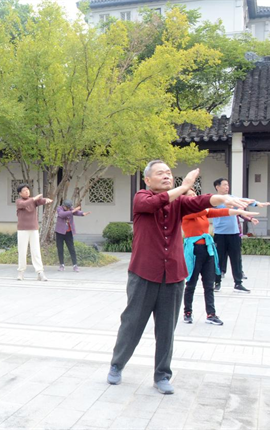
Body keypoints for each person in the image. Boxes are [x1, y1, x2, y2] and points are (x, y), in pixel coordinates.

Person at [106, 160, 252, 394]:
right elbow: (156, 203)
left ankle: (162, 375)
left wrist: (223, 198)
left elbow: (201, 202)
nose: (166, 176)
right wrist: (184, 186)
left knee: (166, 329)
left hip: (173, 275)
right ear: (147, 180)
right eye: (160, 173)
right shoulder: (141, 198)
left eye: (169, 173)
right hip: (144, 273)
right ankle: (117, 364)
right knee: (132, 323)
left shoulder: (180, 202)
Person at [181, 188, 259, 326]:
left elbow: (221, 212)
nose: (194, 197)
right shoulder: (185, 212)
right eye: (190, 196)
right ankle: (187, 312)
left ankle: (211, 314)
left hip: (207, 249)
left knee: (209, 284)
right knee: (191, 283)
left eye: (195, 194)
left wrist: (240, 212)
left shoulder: (203, 212)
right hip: (193, 250)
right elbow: (206, 210)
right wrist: (220, 201)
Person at [212, 178, 270, 293]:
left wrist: (257, 203)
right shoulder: (215, 200)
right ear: (217, 187)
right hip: (220, 234)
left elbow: (244, 200)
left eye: (227, 185)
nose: (227, 187)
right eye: (224, 185)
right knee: (218, 259)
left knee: (236, 259)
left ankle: (238, 283)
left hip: (234, 234)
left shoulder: (232, 198)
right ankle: (217, 282)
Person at [16, 184, 52, 281]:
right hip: (22, 230)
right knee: (22, 251)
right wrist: (34, 198)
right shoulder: (19, 201)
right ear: (20, 193)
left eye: (27, 190)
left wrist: (46, 200)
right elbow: (25, 204)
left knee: (36, 251)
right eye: (24, 190)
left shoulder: (33, 200)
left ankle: (40, 272)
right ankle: (21, 272)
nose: (27, 191)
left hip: (34, 229)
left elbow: (40, 201)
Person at [55, 199, 90, 272]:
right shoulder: (59, 209)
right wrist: (72, 211)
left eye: (69, 207)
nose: (68, 209)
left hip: (68, 232)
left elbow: (76, 212)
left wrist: (82, 213)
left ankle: (75, 265)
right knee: (60, 249)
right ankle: (61, 265)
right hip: (60, 232)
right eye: (66, 207)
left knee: (71, 249)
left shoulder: (70, 209)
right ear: (63, 205)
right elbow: (62, 214)